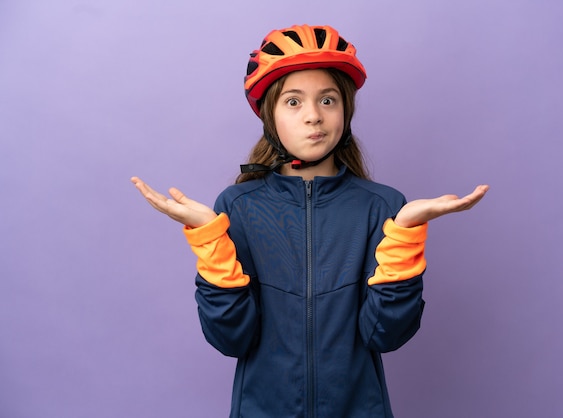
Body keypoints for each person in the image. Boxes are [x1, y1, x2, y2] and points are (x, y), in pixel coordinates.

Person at [131, 24, 489, 418]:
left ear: (345, 110)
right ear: (270, 114)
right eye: (294, 102)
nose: (314, 117)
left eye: (328, 100)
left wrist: (403, 238)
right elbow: (232, 338)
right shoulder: (238, 206)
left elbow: (385, 334)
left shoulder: (382, 206)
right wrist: (209, 242)